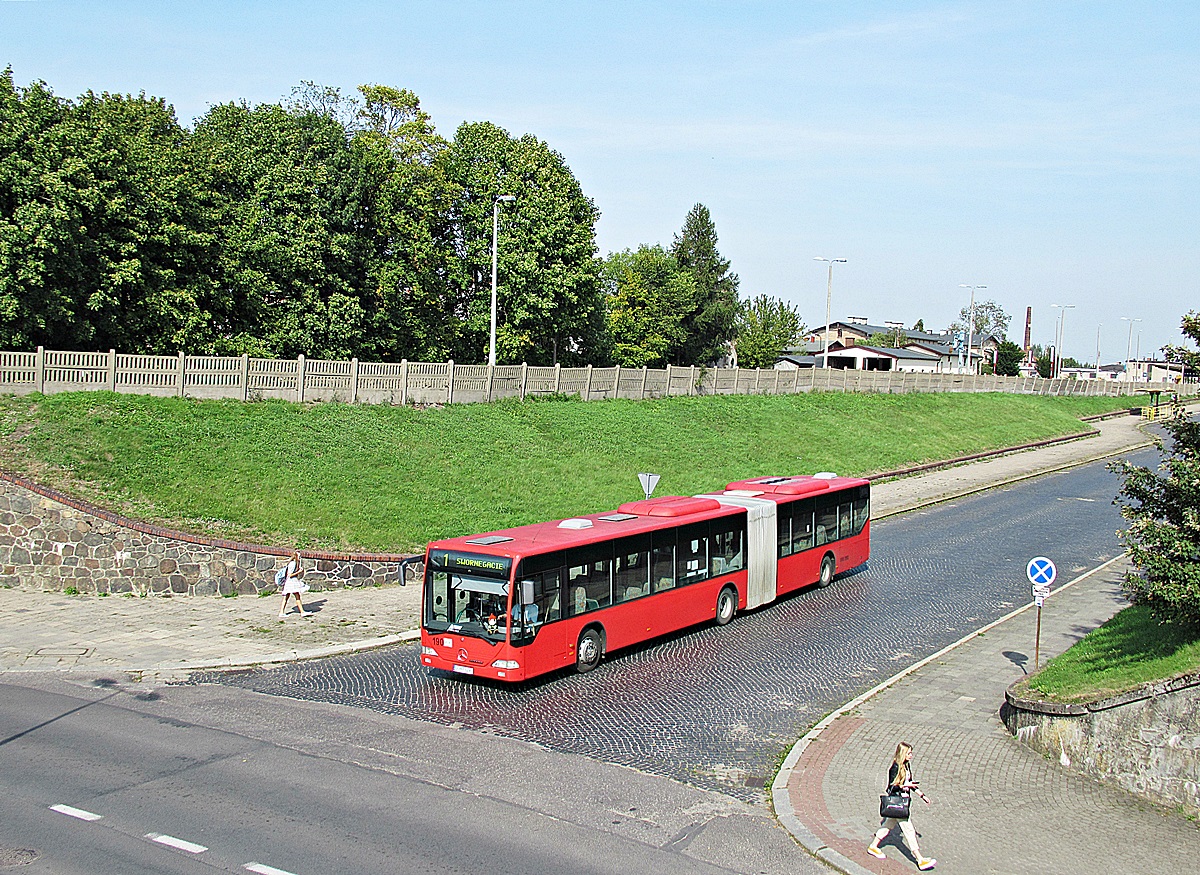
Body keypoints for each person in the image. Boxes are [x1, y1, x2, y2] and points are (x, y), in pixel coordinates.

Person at [867, 741, 935, 870]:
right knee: (909, 831)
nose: (911, 755)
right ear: (903, 754)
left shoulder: (906, 765)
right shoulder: (895, 768)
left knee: (887, 826)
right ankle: (920, 859)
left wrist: (922, 795)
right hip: (898, 804)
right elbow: (891, 787)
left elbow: (910, 783)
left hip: (903, 803)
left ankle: (873, 846)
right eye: (909, 753)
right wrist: (905, 785)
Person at [278, 550, 310, 618]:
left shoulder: (293, 563)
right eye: (299, 556)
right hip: (291, 581)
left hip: (290, 581)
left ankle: (281, 612)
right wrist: (299, 571)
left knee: (287, 597)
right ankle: (302, 612)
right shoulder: (293, 564)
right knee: (296, 596)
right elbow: (290, 575)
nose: (300, 558)